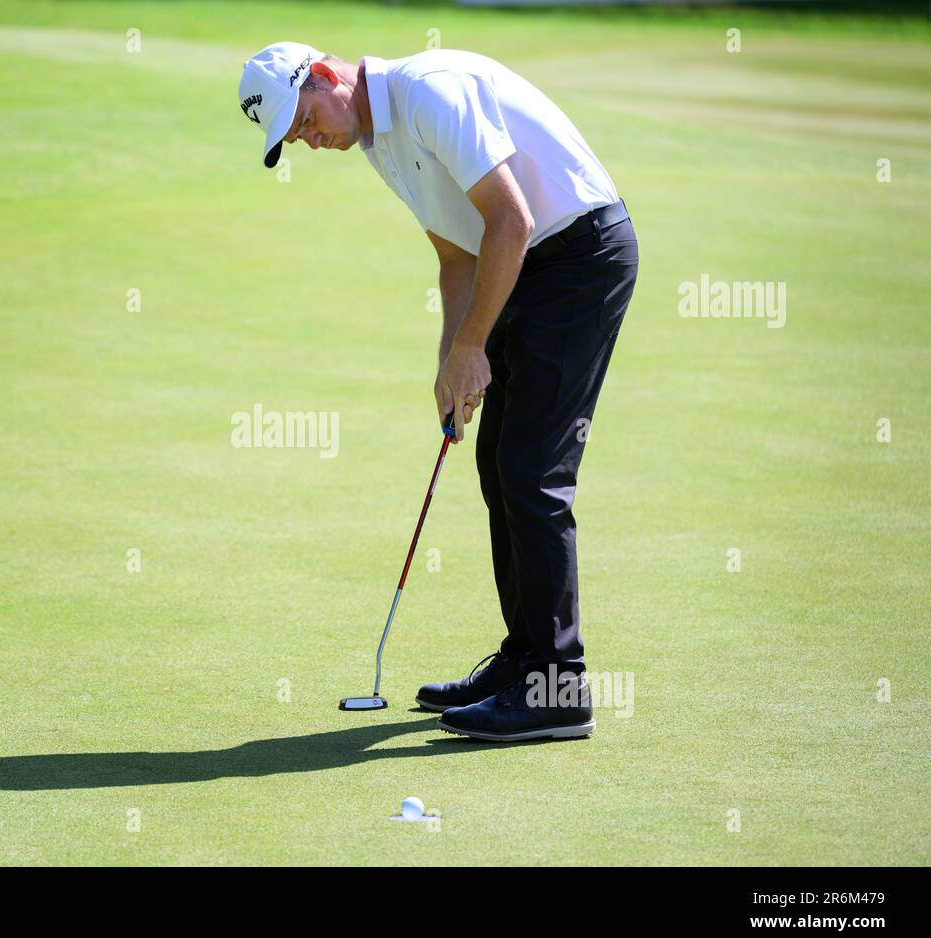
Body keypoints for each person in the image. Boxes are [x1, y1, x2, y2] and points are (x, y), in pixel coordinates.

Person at [238, 43, 637, 742]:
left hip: (578, 256)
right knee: (497, 465)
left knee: (531, 469)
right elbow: (457, 255)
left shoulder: (428, 92)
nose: (310, 141)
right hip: (527, 264)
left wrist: (474, 345)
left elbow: (509, 220)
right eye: (295, 137)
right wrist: (450, 359)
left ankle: (557, 686)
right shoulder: (376, 139)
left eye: (304, 121)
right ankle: (525, 661)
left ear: (327, 77)